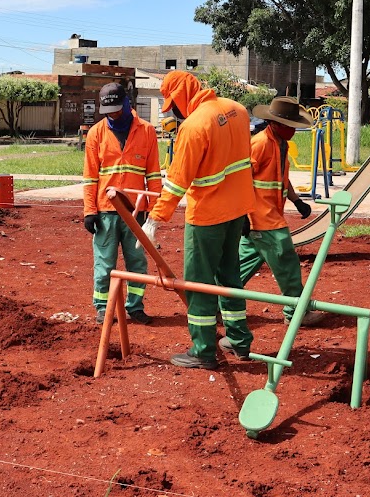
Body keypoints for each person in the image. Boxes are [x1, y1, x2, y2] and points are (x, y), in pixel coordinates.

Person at [145, 70, 255, 369]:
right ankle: (239, 340)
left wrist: (155, 219)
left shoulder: (194, 126)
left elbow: (176, 182)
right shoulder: (237, 110)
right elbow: (244, 162)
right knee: (230, 277)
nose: (174, 111)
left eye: (173, 104)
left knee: (199, 283)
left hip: (207, 216)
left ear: (180, 96)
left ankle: (204, 351)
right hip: (237, 211)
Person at [238, 97, 325, 325]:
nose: (294, 131)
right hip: (263, 219)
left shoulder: (280, 144)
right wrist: (243, 214)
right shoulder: (260, 144)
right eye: (290, 126)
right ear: (275, 124)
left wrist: (296, 201)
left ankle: (217, 304)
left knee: (239, 268)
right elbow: (241, 178)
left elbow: (281, 177)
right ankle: (297, 312)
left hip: (265, 217)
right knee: (287, 263)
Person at [82, 82, 163, 325]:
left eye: (117, 109)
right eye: (108, 111)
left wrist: (153, 213)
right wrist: (89, 210)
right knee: (104, 263)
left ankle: (135, 307)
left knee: (137, 261)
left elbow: (154, 175)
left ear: (127, 104)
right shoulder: (96, 133)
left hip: (136, 211)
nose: (113, 115)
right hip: (105, 211)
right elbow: (90, 176)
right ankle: (103, 307)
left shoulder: (147, 131)